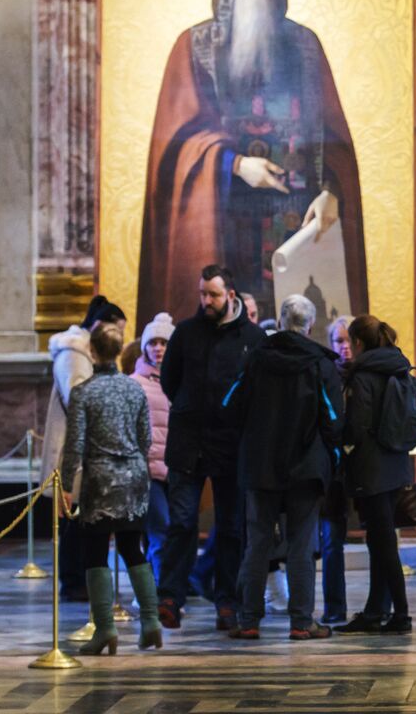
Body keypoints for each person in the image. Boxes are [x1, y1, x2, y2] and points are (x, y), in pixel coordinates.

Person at [137, 0, 367, 325]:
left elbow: (332, 138)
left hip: (295, 220)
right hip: (223, 217)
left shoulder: (305, 46)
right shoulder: (195, 46)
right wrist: (236, 163)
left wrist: (332, 192)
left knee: (296, 327)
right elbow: (176, 143)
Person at [221, 294, 344, 640]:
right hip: (306, 467)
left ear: (279, 321)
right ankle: (301, 622)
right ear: (310, 325)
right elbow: (333, 420)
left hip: (260, 466)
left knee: (258, 543)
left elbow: (230, 405)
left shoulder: (255, 359)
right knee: (301, 545)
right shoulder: (320, 364)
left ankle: (248, 620)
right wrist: (331, 459)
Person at [157, 265, 268, 631]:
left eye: (213, 295)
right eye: (202, 293)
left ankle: (227, 601)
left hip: (231, 446)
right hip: (188, 443)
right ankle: (170, 598)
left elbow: (256, 392)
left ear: (230, 296)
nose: (206, 300)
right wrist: (189, 407)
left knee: (232, 528)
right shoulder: (186, 333)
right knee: (182, 522)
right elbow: (170, 381)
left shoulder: (253, 338)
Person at [59, 323, 161, 654]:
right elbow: (146, 439)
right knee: (133, 548)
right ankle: (151, 621)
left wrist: (66, 485)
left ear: (92, 351)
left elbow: (75, 445)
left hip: (100, 481)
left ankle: (105, 630)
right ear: (118, 351)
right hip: (134, 477)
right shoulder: (134, 388)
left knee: (95, 552)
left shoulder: (84, 392)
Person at [334, 314, 416, 635]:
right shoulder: (398, 367)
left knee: (383, 544)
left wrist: (340, 442)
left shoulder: (363, 376)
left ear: (357, 342)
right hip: (397, 465)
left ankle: (402, 614)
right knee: (380, 540)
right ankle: (375, 610)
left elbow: (357, 425)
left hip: (371, 469)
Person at [41, 294, 128, 602]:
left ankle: (83, 578)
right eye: (116, 330)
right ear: (100, 326)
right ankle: (74, 580)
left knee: (84, 518)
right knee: (75, 518)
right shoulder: (74, 352)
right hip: (75, 447)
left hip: (90, 446)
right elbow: (78, 397)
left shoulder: (86, 351)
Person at [131, 313, 175, 581]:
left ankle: (154, 586)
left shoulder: (178, 379)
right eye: (153, 343)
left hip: (174, 468)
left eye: (164, 343)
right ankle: (160, 590)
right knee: (161, 530)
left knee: (167, 532)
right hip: (148, 470)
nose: (158, 348)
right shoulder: (135, 383)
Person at [320, 315, 354, 624]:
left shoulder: (370, 377)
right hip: (334, 471)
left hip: (365, 467)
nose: (345, 348)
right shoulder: (325, 377)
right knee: (331, 541)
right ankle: (334, 606)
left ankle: (381, 605)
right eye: (339, 341)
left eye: (349, 341)